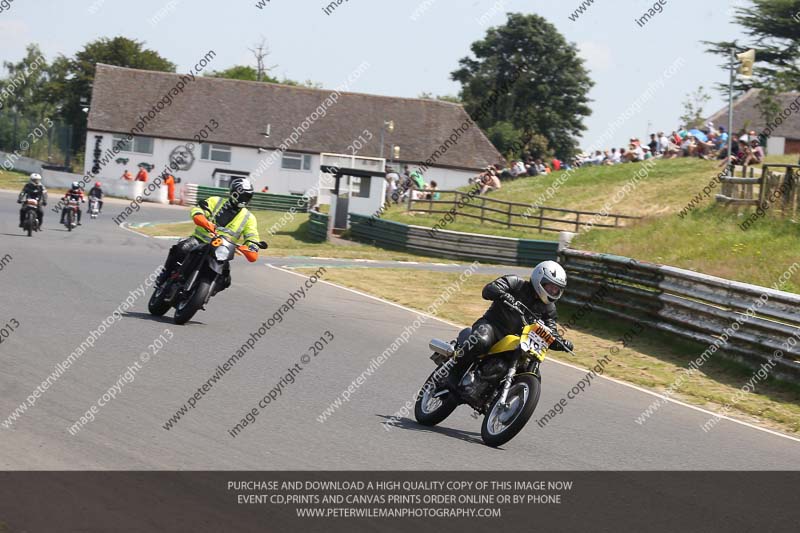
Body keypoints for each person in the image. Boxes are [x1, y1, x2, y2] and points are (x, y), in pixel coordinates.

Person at [443, 261, 573, 392]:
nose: (553, 291)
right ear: (539, 278)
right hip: (493, 326)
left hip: (517, 341)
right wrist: (503, 294)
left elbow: (550, 331)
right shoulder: (515, 283)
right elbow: (489, 289)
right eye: (550, 287)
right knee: (481, 341)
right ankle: (453, 374)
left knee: (532, 372)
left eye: (556, 289)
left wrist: (561, 343)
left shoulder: (549, 309)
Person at [156, 178, 262, 292]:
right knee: (181, 248)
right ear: (234, 193)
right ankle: (165, 274)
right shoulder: (215, 201)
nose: (244, 199)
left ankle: (205, 292)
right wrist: (205, 221)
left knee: (226, 279)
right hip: (200, 240)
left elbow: (252, 236)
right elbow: (198, 210)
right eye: (242, 195)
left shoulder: (249, 218)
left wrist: (252, 247)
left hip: (222, 250)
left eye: (247, 196)